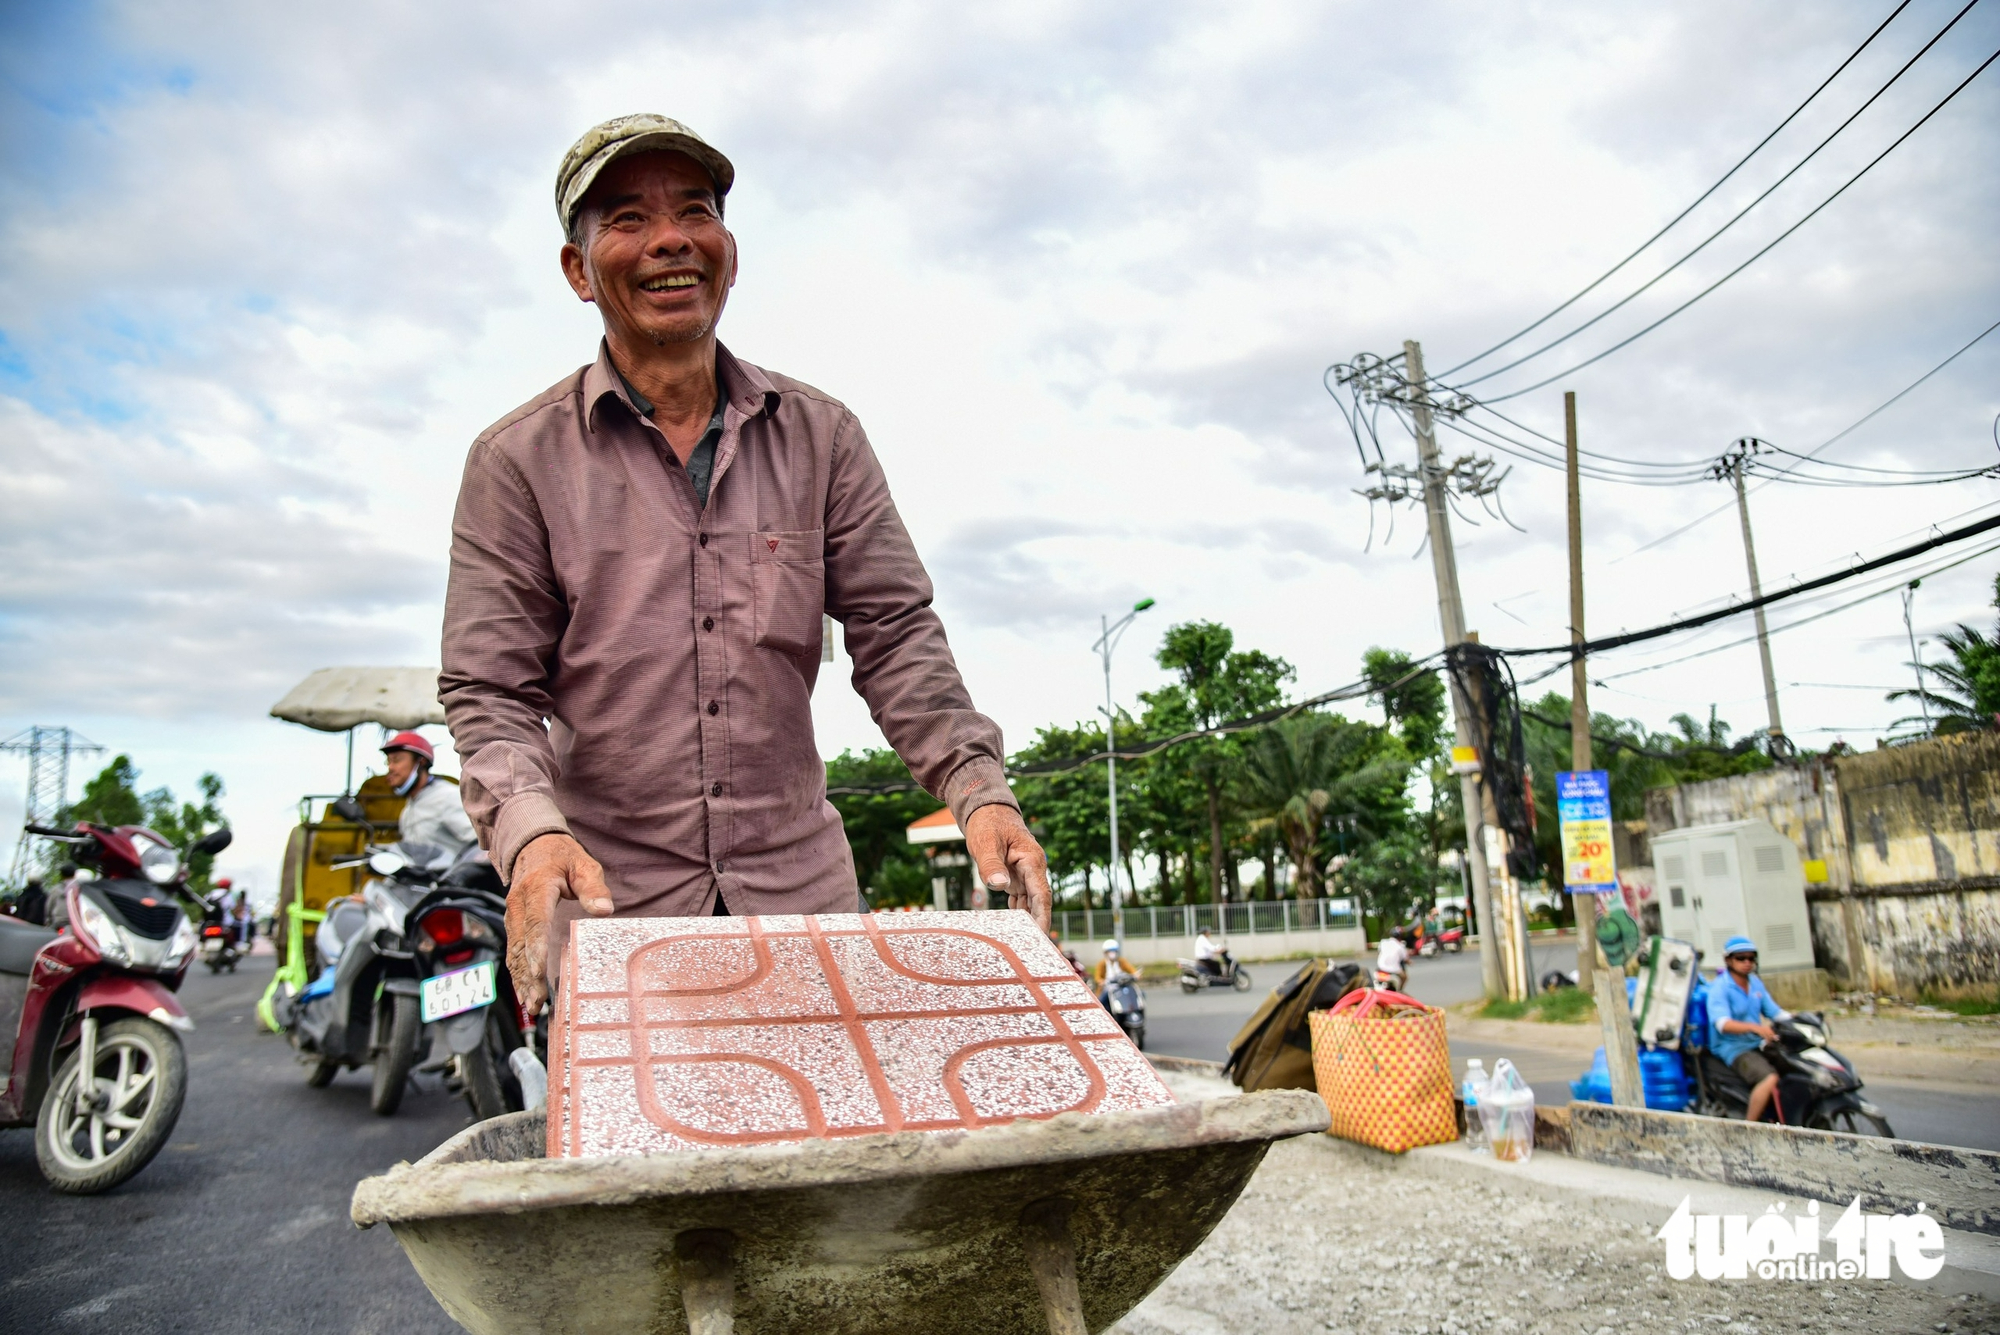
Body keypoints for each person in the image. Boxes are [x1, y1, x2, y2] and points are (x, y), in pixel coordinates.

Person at [439, 114, 1051, 1014]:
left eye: (695, 211)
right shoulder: (517, 462)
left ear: (729, 250)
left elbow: (895, 631)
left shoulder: (822, 436)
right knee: (638, 1156)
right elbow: (489, 692)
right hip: (614, 912)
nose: (670, 240)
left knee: (829, 1144)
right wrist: (531, 838)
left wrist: (978, 790)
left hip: (802, 902)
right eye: (627, 219)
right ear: (577, 270)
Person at [1706, 935, 1788, 1123]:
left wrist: (1802, 1021)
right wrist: (1756, 1028)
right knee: (1769, 1078)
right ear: (1728, 960)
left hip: (1756, 1043)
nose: (1747, 963)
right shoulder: (1720, 988)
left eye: (1751, 958)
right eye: (1741, 958)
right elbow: (1722, 1024)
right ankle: (1749, 1127)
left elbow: (1775, 1012)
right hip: (1733, 1048)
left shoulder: (1755, 983)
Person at [380, 731, 478, 862]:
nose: (391, 767)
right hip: (420, 880)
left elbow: (478, 841)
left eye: (397, 760)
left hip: (452, 879)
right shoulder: (408, 808)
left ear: (421, 762)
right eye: (389, 762)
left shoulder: (447, 796)